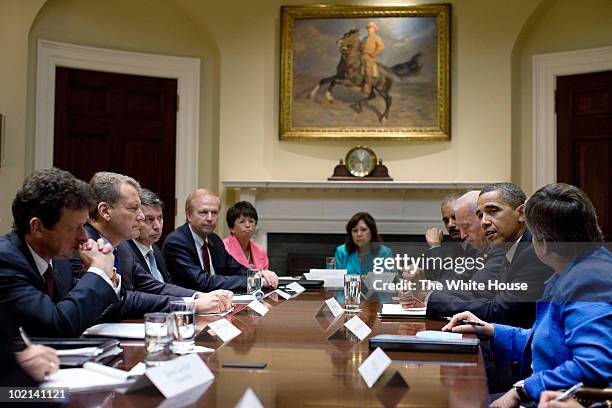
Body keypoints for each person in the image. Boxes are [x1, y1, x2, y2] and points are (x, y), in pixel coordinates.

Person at [442, 183, 612, 408]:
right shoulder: (571, 270)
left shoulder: (589, 279)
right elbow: (549, 340)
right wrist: (491, 330)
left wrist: (521, 390)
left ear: (544, 245)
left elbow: (594, 365)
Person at [80, 172, 232, 318]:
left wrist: (200, 296)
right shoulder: (82, 247)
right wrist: (191, 305)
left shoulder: (123, 247)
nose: (140, 216)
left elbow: (153, 286)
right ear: (105, 211)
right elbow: (120, 301)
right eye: (133, 208)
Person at [0, 168, 119, 337]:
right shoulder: (5, 261)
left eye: (84, 226)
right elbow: (56, 327)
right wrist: (98, 271)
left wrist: (107, 277)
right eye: (74, 228)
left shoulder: (59, 260)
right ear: (38, 228)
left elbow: (84, 312)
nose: (84, 237)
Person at [420, 183, 554, 329]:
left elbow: (503, 312)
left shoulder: (533, 250)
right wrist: (427, 294)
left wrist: (429, 298)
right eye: (480, 215)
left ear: (521, 213)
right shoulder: (508, 246)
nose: (484, 222)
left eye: (493, 211)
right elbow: (483, 294)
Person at [164, 189, 278, 292]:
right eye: (203, 212)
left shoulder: (214, 239)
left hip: (219, 303)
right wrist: (255, 281)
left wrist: (260, 274)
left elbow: (234, 268)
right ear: (189, 216)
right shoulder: (176, 242)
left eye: (214, 213)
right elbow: (203, 282)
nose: (209, 218)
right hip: (189, 307)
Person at [127, 189, 172, 283]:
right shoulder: (126, 253)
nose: (157, 226)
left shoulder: (155, 250)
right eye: (149, 219)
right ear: (136, 218)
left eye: (159, 218)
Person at [223, 201, 269, 270]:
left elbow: (264, 277)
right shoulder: (223, 248)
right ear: (232, 228)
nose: (248, 225)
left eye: (251, 221)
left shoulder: (260, 251)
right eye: (242, 221)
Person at [361, 22, 385, 95]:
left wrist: (374, 54)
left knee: (368, 71)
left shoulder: (376, 37)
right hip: (362, 55)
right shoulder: (364, 38)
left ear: (374, 29)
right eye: (368, 28)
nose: (368, 29)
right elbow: (361, 47)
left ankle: (368, 89)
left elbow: (381, 47)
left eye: (370, 28)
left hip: (369, 57)